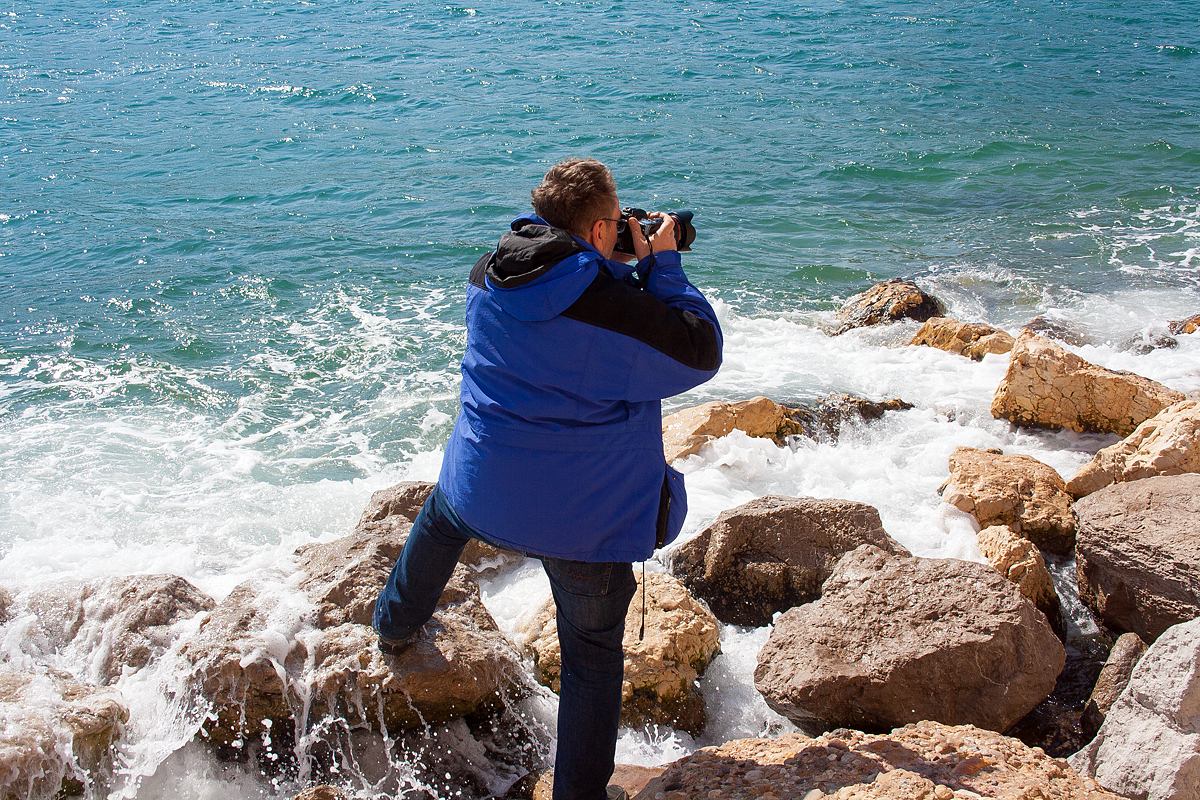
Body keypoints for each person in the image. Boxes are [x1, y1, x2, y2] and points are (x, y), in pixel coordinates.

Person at [373, 157, 722, 800]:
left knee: (442, 515)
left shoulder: (489, 272)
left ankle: (393, 627)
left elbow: (558, 323)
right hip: (577, 517)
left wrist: (610, 266)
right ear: (594, 231)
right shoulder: (608, 308)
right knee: (591, 651)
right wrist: (663, 267)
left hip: (482, 483)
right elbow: (698, 350)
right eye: (616, 224)